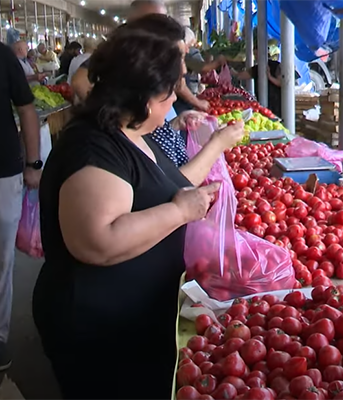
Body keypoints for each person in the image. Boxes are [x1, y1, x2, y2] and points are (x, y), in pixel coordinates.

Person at [32, 15, 244, 400]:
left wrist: (212, 153)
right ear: (146, 96)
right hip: (100, 334)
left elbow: (167, 186)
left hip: (137, 321)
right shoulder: (92, 147)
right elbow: (97, 241)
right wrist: (180, 213)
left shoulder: (131, 131)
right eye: (171, 91)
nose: (176, 98)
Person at [71, 0, 211, 113]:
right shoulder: (120, 46)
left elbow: (178, 80)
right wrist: (116, 121)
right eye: (156, 23)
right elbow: (79, 81)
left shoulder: (161, 46)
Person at [0, 42, 42, 371]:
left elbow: (27, 108)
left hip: (4, 173)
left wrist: (34, 163)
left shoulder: (2, 56)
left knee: (2, 260)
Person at [232, 40, 299, 117]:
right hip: (273, 104)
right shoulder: (259, 68)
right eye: (255, 54)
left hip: (276, 103)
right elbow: (240, 75)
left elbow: (283, 83)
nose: (256, 57)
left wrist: (269, 77)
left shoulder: (276, 66)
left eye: (256, 54)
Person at [173, 27, 227, 115]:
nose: (188, 50)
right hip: (179, 105)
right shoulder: (187, 55)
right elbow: (180, 85)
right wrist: (217, 62)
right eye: (189, 46)